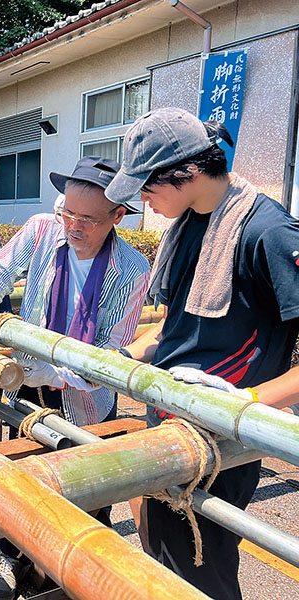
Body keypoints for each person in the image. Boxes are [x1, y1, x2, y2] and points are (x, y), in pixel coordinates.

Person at [108, 107, 299, 600]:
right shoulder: (189, 221)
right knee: (164, 552)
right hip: (172, 412)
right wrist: (130, 352)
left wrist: (250, 401)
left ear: (188, 171)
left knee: (201, 560)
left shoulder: (268, 231)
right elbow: (181, 324)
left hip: (223, 431)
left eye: (148, 188)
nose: (145, 202)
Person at [0, 157, 150, 600]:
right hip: (23, 376)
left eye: (87, 218)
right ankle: (10, 555)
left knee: (89, 484)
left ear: (118, 216)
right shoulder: (44, 229)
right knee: (21, 470)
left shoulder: (133, 270)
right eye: (68, 212)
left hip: (85, 395)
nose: (73, 225)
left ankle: (84, 574)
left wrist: (57, 371)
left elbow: (110, 361)